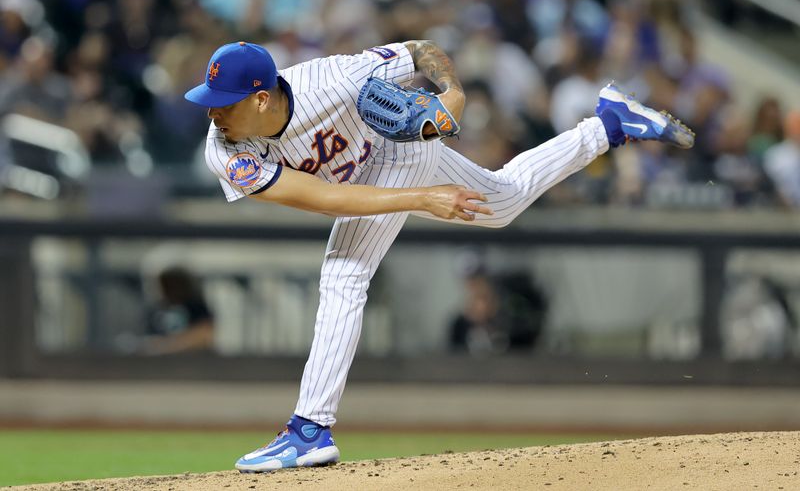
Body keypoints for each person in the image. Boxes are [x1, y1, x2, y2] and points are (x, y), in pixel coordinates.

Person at [183, 39, 694, 472]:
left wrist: (453, 94)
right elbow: (323, 200)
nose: (212, 112)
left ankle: (310, 429)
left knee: (344, 274)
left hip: (402, 145)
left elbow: (422, 51)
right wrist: (419, 198)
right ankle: (607, 124)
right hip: (367, 178)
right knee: (501, 203)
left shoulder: (334, 79)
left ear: (262, 98)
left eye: (223, 101)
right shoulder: (225, 150)